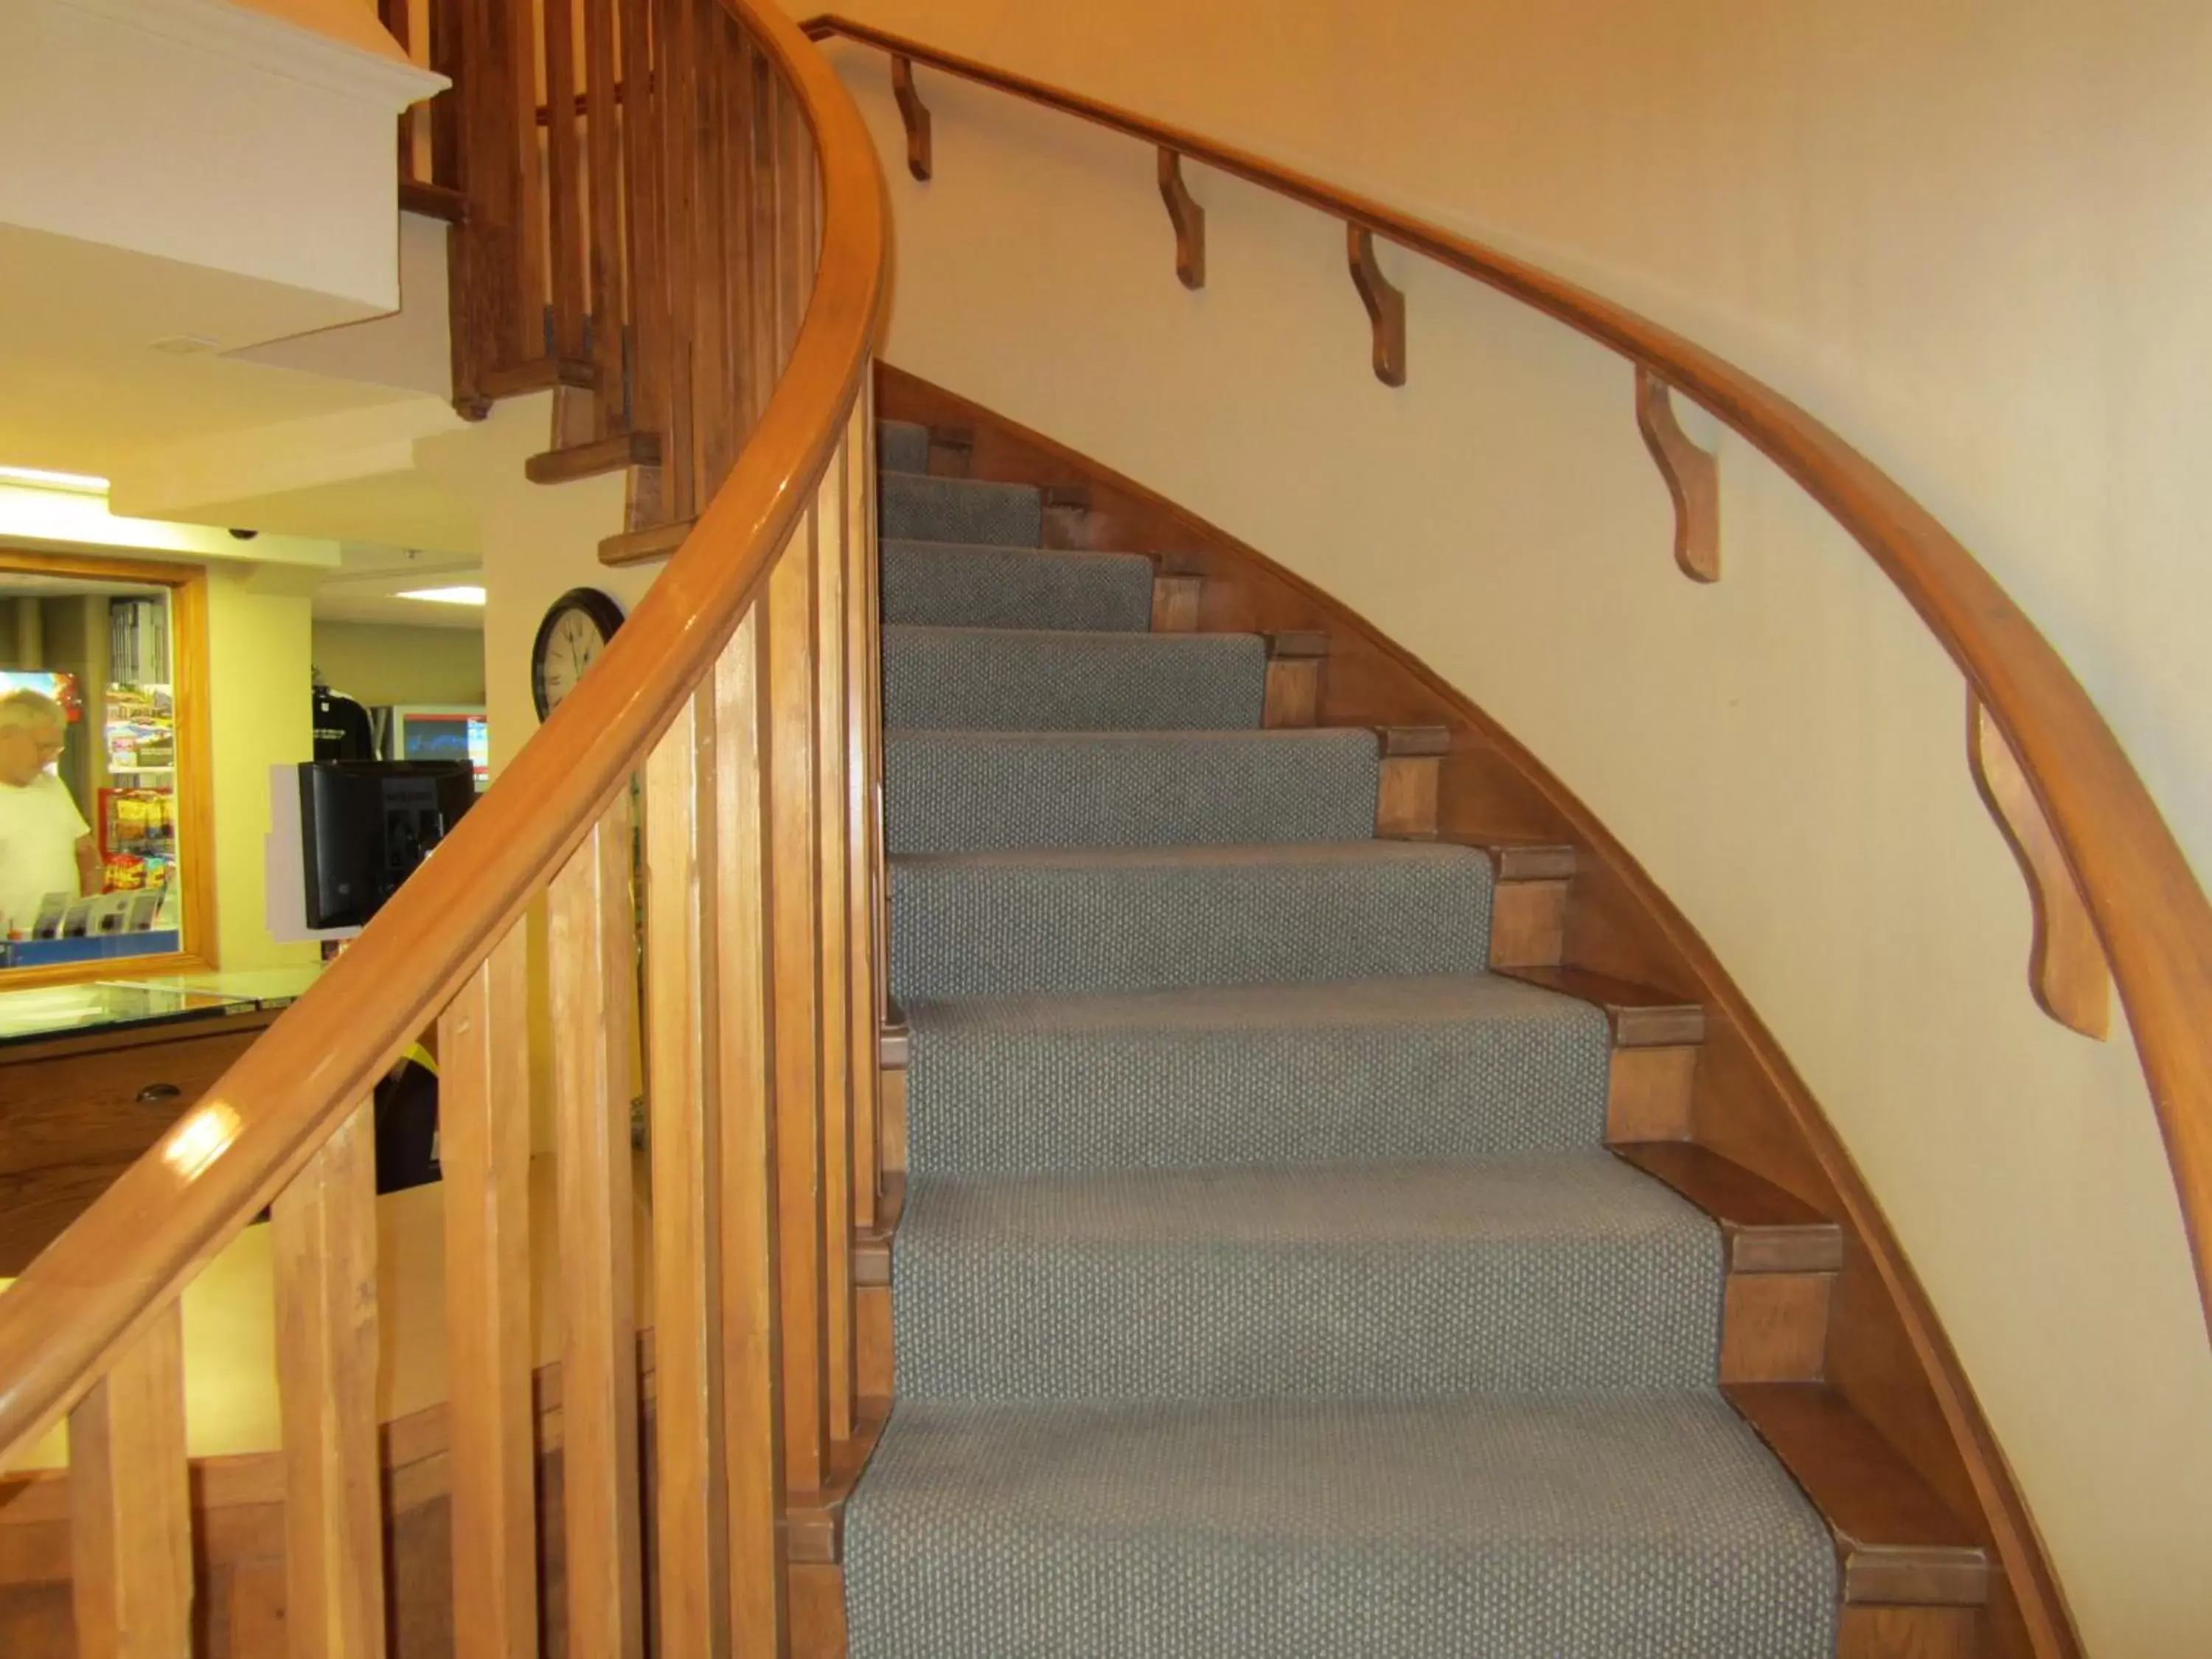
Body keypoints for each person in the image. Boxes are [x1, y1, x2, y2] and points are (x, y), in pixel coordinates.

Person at [0, 688, 101, 938]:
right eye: (42, 747)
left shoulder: (53, 786)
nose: (48, 758)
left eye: (55, 749)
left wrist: (89, 910)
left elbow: (87, 854)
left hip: (63, 945)